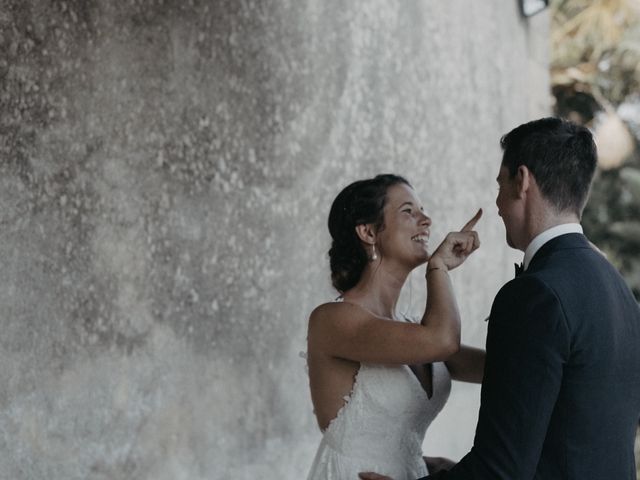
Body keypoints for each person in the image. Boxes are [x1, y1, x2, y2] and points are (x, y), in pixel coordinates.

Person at [360, 117, 640, 480]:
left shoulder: (536, 293)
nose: (496, 203)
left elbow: (501, 471)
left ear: (521, 181)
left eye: (499, 184)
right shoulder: (619, 291)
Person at [305, 174, 485, 480]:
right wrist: (438, 268)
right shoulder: (331, 320)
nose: (426, 220)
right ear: (368, 232)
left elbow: (498, 369)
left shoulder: (411, 328)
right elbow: (443, 340)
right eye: (409, 211)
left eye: (423, 211)